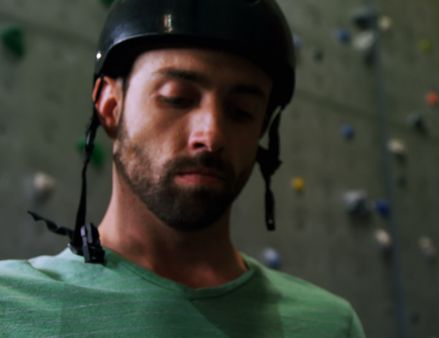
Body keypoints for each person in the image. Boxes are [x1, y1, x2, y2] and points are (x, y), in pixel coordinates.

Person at [0, 0, 365, 337]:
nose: (211, 134)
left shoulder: (330, 326)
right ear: (110, 107)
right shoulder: (10, 308)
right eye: (178, 98)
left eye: (241, 111)